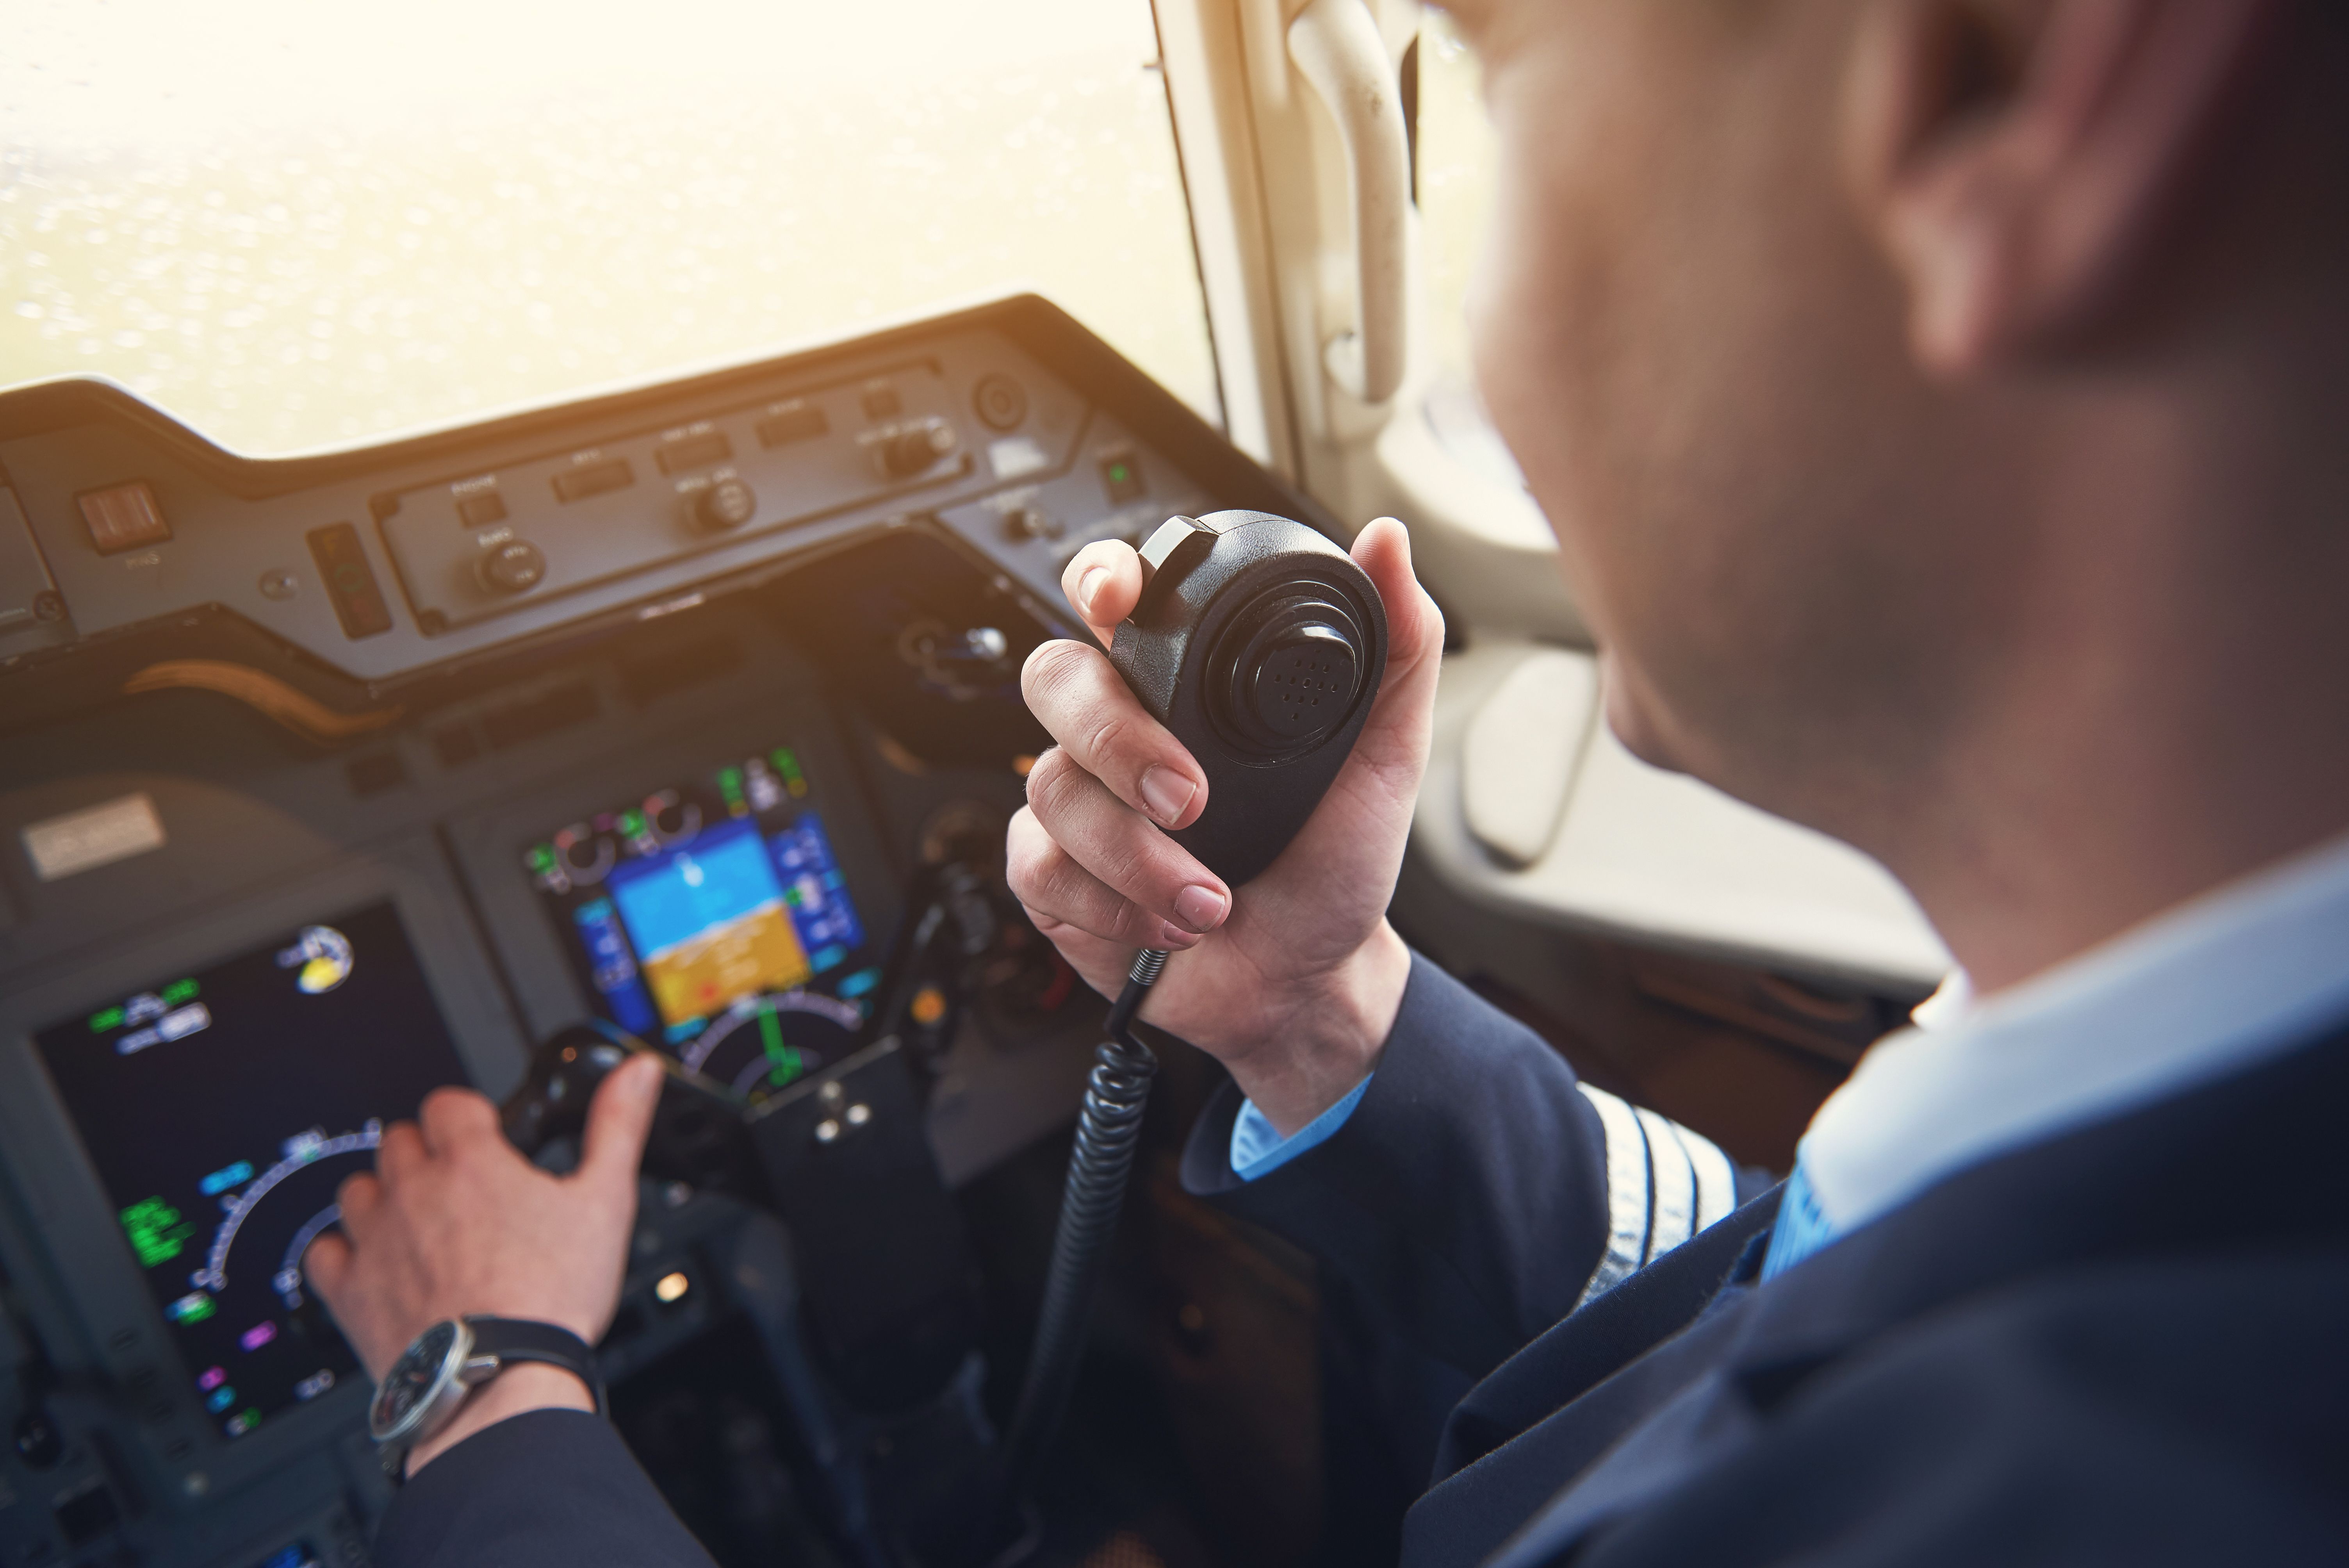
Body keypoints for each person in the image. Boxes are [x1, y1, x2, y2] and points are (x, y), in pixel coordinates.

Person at [309, 0, 2349, 1561]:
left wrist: (479, 1398)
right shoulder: (2161, 1157)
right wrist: (1323, 1011)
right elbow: (1782, 1282)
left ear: (2023, 85)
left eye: (1501, 77)